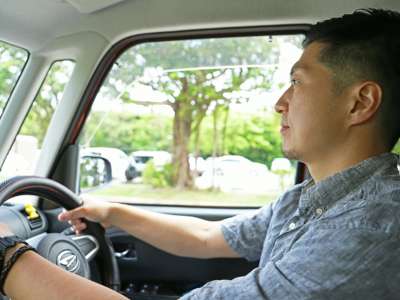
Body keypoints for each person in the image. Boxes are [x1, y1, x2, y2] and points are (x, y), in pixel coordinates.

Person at [0, 7, 400, 300]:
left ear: (360, 103)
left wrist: (9, 256)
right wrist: (111, 211)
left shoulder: (374, 228)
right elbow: (209, 237)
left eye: (297, 82)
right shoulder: (309, 200)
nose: (281, 102)